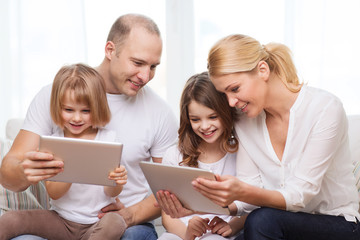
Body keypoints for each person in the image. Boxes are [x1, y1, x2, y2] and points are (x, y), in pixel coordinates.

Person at [0, 14, 178, 240]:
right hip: (63, 219)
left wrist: (130, 215)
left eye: (153, 66)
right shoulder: (55, 95)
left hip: (125, 223)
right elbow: (8, 174)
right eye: (138, 63)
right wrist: (25, 171)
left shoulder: (159, 112)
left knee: (132, 237)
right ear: (110, 50)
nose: (146, 76)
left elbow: (172, 190)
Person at [187, 34, 360, 239]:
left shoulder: (324, 109)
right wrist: (196, 207)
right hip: (277, 224)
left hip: (336, 222)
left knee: (261, 220)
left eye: (234, 89)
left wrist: (241, 191)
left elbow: (300, 195)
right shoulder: (244, 121)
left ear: (263, 70)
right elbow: (252, 189)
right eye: (224, 94)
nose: (231, 102)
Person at [0, 63, 128, 240]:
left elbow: (111, 193)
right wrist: (71, 167)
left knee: (116, 223)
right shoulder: (54, 141)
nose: (76, 118)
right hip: (60, 221)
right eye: (68, 110)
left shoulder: (108, 140)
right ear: (57, 108)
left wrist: (117, 182)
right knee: (9, 220)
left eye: (86, 111)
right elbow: (54, 193)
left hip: (96, 223)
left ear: (98, 108)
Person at [157, 72, 246, 240]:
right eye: (195, 119)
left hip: (219, 234)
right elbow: (167, 215)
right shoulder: (174, 155)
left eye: (213, 117)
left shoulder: (242, 152)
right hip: (182, 232)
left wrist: (232, 226)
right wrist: (187, 233)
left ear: (226, 113)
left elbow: (252, 206)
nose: (205, 126)